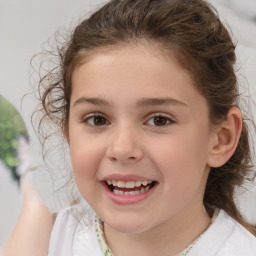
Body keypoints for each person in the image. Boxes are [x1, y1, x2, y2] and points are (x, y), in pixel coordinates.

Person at [3, 0, 256, 255]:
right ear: (68, 133)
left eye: (159, 120)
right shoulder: (40, 244)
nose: (122, 149)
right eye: (97, 120)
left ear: (221, 139)